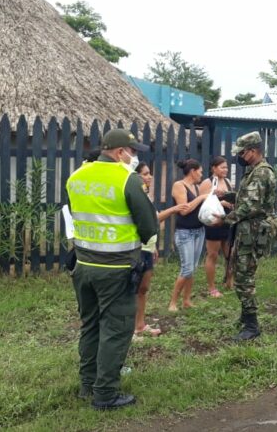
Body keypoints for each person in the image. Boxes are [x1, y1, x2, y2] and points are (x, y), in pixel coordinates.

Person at [66, 129, 159, 410]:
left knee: (91, 325)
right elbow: (149, 226)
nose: (133, 156)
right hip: (116, 268)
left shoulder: (76, 177)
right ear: (120, 152)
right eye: (131, 151)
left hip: (83, 267)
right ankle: (105, 394)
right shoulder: (126, 179)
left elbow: (73, 212)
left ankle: (87, 385)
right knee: (115, 329)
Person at [214, 132, 277, 340]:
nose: (239, 156)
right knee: (240, 272)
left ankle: (252, 325)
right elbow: (247, 197)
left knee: (243, 278)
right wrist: (228, 196)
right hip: (247, 231)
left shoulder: (261, 173)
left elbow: (250, 206)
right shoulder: (253, 171)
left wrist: (225, 220)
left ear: (253, 151)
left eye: (242, 152)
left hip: (253, 231)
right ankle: (245, 316)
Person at [133, 162, 186, 337]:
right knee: (133, 290)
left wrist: (153, 244)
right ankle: (130, 330)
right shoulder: (135, 195)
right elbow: (153, 220)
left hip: (147, 248)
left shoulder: (145, 195)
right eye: (146, 174)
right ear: (136, 176)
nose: (150, 177)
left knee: (143, 289)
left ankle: (140, 325)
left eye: (150, 173)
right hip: (137, 249)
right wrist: (174, 209)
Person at [168, 159, 208, 312]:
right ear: (193, 171)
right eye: (200, 171)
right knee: (186, 268)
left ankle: (186, 300)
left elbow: (201, 206)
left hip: (199, 231)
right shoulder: (179, 185)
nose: (202, 174)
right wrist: (200, 198)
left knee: (193, 268)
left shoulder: (196, 187)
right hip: (185, 233)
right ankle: (172, 303)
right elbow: (184, 210)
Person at [199, 156, 234, 297]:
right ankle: (212, 287)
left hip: (228, 220)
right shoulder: (207, 183)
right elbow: (202, 202)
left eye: (226, 167)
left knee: (230, 254)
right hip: (214, 221)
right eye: (222, 167)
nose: (225, 170)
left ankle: (229, 281)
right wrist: (222, 203)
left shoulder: (227, 182)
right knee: (212, 254)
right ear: (214, 168)